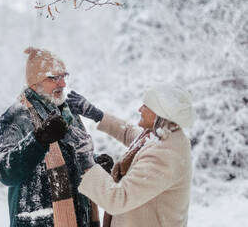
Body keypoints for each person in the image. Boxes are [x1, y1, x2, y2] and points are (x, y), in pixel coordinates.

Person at [0, 47, 100, 227]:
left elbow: (72, 159)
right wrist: (38, 140)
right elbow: (5, 171)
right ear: (35, 83)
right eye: (54, 78)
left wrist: (95, 162)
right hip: (39, 221)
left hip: (79, 218)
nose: (63, 84)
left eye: (63, 76)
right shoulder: (15, 116)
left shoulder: (69, 113)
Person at [67, 84, 195, 227]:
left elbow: (117, 199)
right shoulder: (166, 135)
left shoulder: (164, 156)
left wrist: (87, 162)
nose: (139, 109)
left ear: (160, 114)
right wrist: (98, 115)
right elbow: (132, 136)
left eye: (146, 106)